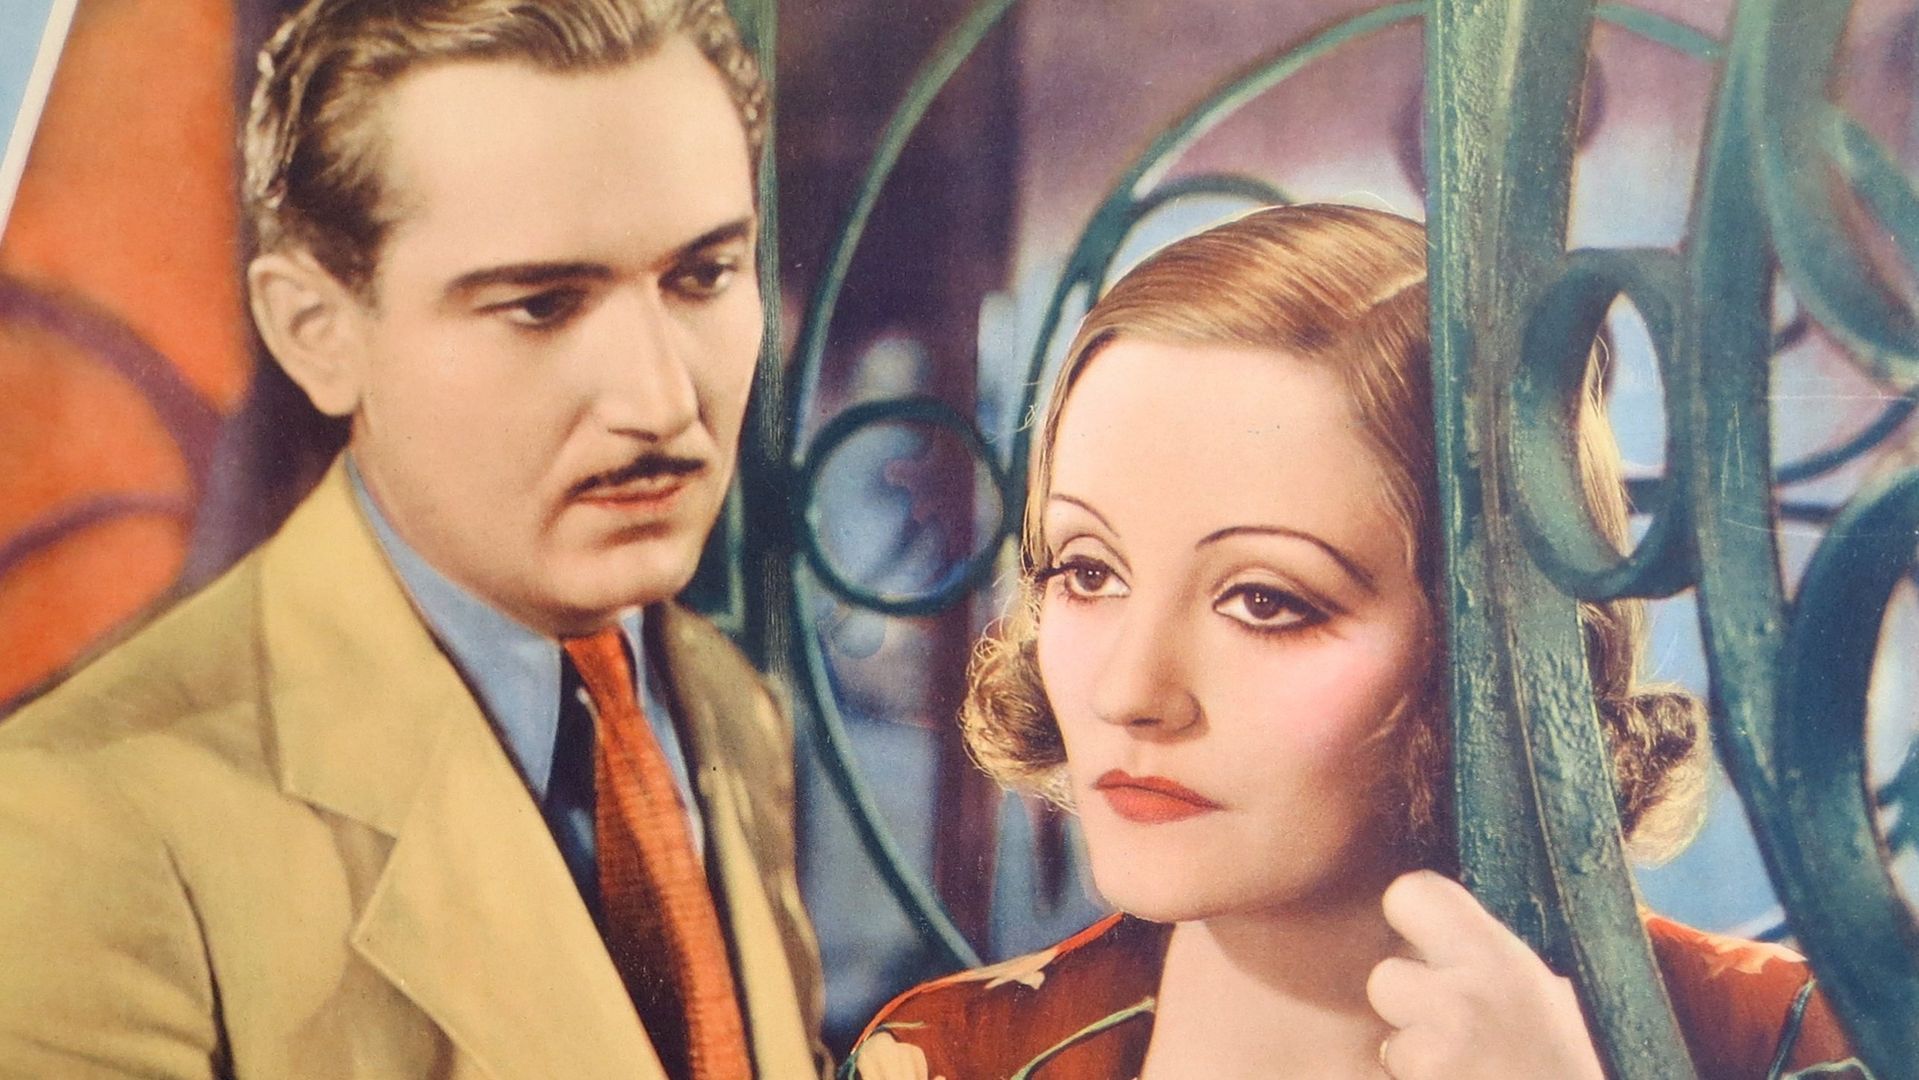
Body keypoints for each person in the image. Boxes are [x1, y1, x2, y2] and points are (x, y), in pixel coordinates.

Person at [0, 1, 827, 1077]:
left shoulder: (721, 704)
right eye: (541, 305)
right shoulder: (86, 827)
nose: (661, 400)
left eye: (702, 277)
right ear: (317, 333)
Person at [843, 205, 1861, 1079]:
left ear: (1495, 642)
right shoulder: (947, 1056)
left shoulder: (1794, 1042)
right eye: (1087, 572)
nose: (1130, 690)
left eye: (1264, 601)